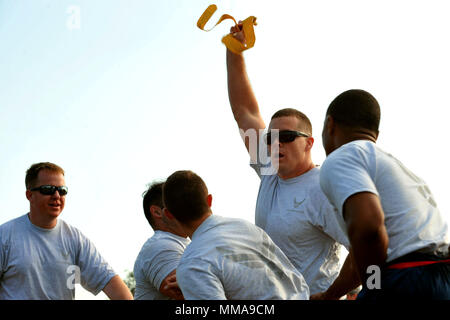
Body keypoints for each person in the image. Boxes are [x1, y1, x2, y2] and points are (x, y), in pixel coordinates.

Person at [225, 24, 349, 295]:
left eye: (288, 136)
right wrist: (234, 51)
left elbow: (366, 247)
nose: (276, 143)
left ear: (309, 143)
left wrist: (343, 293)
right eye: (271, 137)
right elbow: (244, 111)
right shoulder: (269, 169)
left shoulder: (324, 188)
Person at [319, 89, 450, 300]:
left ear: (330, 124)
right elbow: (360, 254)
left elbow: (369, 226)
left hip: (407, 276)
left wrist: (373, 286)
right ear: (375, 136)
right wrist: (329, 296)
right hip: (439, 276)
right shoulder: (392, 166)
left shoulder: (341, 157)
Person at [162, 170, 310, 300]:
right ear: (209, 200)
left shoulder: (193, 264)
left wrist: (191, 281)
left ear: (168, 214)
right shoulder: (245, 227)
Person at [0, 162, 133, 300]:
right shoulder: (5, 236)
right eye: (48, 189)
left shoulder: (75, 239)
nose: (57, 195)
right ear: (29, 195)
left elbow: (112, 283)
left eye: (62, 190)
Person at [133, 181, 190, 300]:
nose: (189, 206)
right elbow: (195, 293)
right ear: (157, 212)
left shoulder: (187, 243)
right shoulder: (161, 246)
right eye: (179, 202)